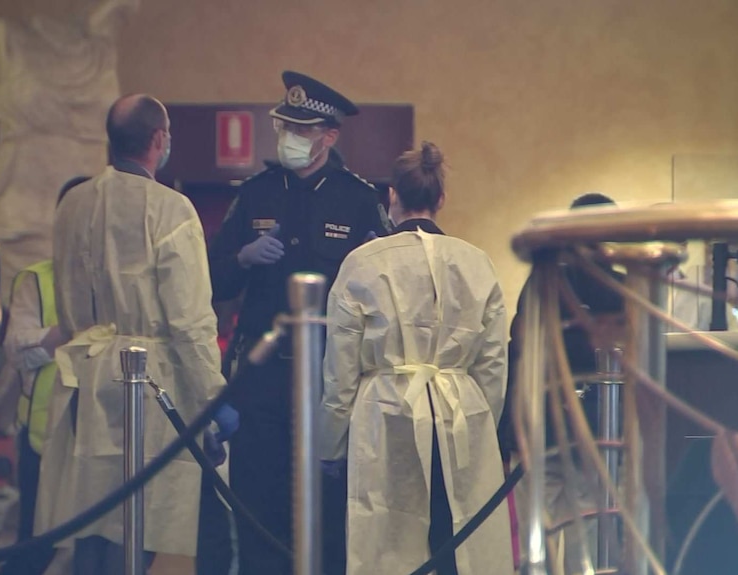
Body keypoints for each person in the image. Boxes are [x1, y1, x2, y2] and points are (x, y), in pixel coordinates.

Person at [35, 94, 229, 575]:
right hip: (150, 383)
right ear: (159, 140)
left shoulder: (73, 204)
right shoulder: (170, 209)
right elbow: (189, 321)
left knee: (90, 524)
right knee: (136, 527)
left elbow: (65, 295)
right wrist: (213, 399)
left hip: (87, 376)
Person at [208, 71, 392, 574]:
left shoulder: (358, 199)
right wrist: (243, 258)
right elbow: (213, 280)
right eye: (284, 125)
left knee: (329, 514)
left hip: (331, 378)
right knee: (258, 503)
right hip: (263, 378)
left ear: (329, 136)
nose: (289, 137)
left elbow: (388, 292)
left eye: (302, 129)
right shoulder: (257, 193)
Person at [320, 142, 512, 575]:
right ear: (441, 199)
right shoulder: (476, 263)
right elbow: (493, 363)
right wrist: (485, 424)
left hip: (383, 413)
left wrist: (330, 443)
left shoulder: (362, 263)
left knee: (387, 540)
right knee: (455, 539)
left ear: (391, 196)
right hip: (461, 415)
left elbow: (341, 369)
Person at [498, 192, 626, 574]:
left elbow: (519, 349)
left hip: (549, 431)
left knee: (541, 546)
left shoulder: (543, 282)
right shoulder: (616, 288)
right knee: (583, 543)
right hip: (587, 433)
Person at [0, 176, 88, 575]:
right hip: (42, 437)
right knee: (36, 546)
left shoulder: (119, 278)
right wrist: (65, 333)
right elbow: (18, 350)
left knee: (96, 544)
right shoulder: (36, 279)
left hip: (99, 436)